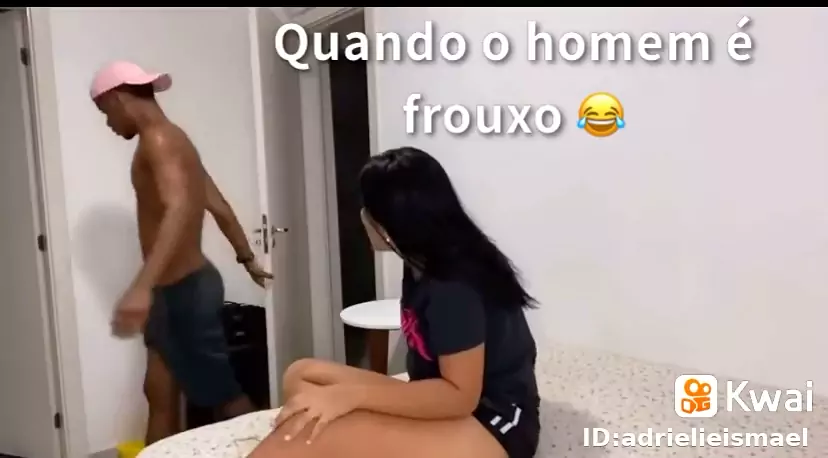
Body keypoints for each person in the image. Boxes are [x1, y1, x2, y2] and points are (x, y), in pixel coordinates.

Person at [251, 147, 540, 458]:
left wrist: (354, 397)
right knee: (301, 375)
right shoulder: (420, 259)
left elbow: (460, 397)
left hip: (490, 420)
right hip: (438, 394)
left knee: (312, 433)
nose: (362, 217)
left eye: (367, 208)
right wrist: (351, 398)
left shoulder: (453, 286)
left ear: (389, 225)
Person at [89, 61, 273, 444]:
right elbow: (218, 206)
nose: (108, 123)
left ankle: (278, 451)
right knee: (158, 390)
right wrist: (247, 259)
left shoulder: (159, 141)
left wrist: (142, 286)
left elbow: (179, 209)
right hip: (171, 291)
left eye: (105, 113)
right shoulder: (173, 140)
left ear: (118, 98)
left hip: (184, 291)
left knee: (224, 397)